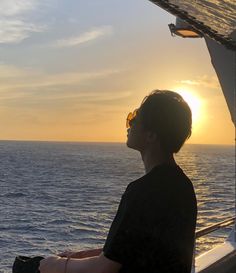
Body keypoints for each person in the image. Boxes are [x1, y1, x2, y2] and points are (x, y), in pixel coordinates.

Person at [39, 90, 197, 273]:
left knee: (32, 266)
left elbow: (104, 269)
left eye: (134, 119)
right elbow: (142, 249)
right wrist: (83, 255)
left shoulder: (143, 192)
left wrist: (57, 265)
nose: (129, 124)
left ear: (151, 135)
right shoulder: (183, 186)